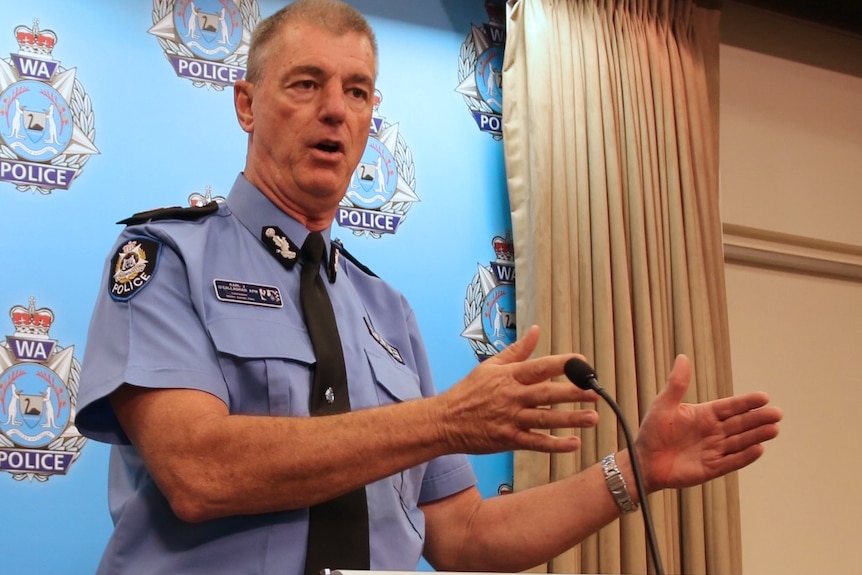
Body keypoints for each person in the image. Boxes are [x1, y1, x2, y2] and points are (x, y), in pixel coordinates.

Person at [75, 1, 783, 574]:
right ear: (246, 104)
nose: (335, 110)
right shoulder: (165, 258)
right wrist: (443, 420)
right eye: (305, 83)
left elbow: (463, 535)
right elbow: (198, 471)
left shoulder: (387, 311)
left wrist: (633, 471)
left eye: (356, 92)